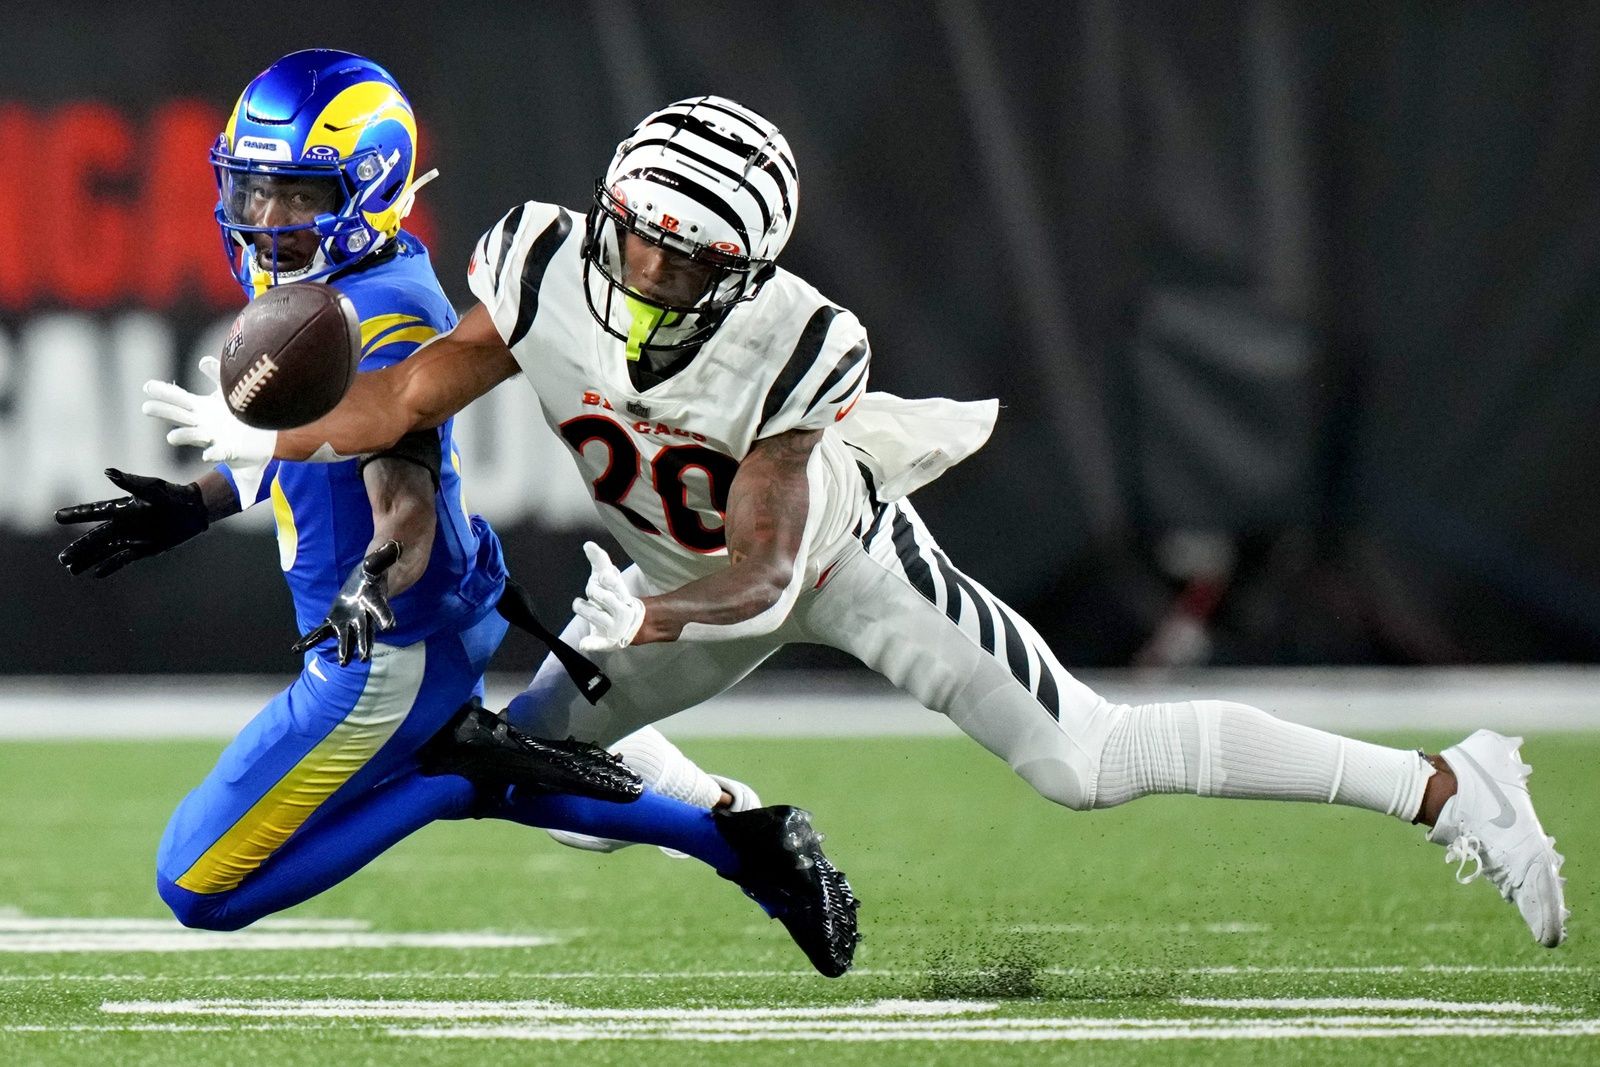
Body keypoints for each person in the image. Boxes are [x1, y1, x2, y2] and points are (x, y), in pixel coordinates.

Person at [145, 95, 1567, 949]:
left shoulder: (802, 337)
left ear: (743, 266)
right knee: (564, 796)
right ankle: (754, 827)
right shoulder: (536, 256)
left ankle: (1448, 784)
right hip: (662, 582)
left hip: (827, 566)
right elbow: (402, 400)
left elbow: (759, 564)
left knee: (1088, 759)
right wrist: (266, 439)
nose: (641, 267)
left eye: (680, 254)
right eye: (633, 232)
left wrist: (649, 620)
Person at [65, 61, 859, 976]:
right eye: (252, 188)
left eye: (296, 194)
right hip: (422, 626)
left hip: (385, 647)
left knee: (198, 885)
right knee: (505, 783)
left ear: (368, 187)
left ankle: (456, 771)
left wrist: (371, 584)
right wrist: (197, 503)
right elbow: (312, 455)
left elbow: (398, 492)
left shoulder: (382, 312)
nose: (266, 218)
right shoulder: (343, 284)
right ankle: (752, 845)